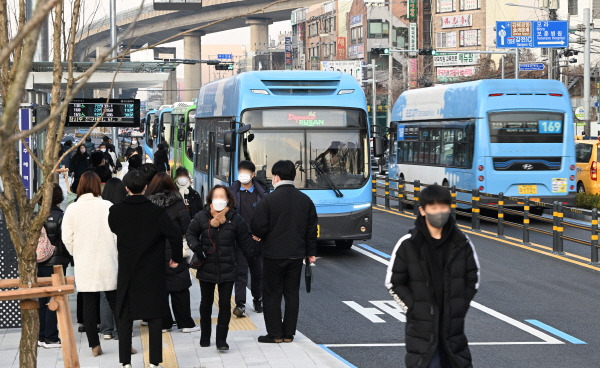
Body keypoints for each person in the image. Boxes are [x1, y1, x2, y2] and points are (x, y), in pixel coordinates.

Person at [385, 184, 480, 368]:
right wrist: (413, 307)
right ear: (422, 210)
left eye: (443, 207)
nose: (439, 212)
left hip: (453, 329)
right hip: (421, 329)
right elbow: (394, 282)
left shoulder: (462, 243)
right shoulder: (408, 244)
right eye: (433, 208)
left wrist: (459, 305)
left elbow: (472, 278)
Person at [108, 170, 183, 368]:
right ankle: (155, 362)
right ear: (145, 188)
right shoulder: (157, 212)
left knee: (125, 317)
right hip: (152, 272)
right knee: (155, 317)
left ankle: (125, 362)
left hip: (127, 271)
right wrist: (176, 258)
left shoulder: (115, 211)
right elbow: (175, 235)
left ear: (126, 189)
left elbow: (114, 228)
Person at [251, 160, 318, 344]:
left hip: (273, 255)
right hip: (296, 255)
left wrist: (258, 236)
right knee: (291, 294)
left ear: (277, 177)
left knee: (272, 294)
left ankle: (275, 334)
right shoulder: (305, 200)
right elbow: (311, 229)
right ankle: (289, 334)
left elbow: (257, 226)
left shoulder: (269, 200)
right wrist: (310, 252)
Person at [186, 185, 255, 351]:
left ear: (228, 199)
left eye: (222, 196)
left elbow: (245, 242)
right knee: (206, 303)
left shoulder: (235, 218)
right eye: (215, 196)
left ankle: (221, 340)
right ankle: (205, 336)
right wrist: (197, 248)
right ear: (210, 199)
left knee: (225, 304)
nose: (218, 199)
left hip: (228, 269)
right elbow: (190, 234)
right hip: (206, 267)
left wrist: (254, 261)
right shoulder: (202, 217)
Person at [61, 171, 118, 357]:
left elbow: (66, 238)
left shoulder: (72, 209)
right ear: (97, 186)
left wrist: (76, 253)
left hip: (85, 262)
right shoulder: (108, 206)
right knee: (117, 303)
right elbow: (118, 235)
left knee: (89, 305)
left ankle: (94, 345)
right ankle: (125, 342)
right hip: (108, 261)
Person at [146, 173, 198, 333]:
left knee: (158, 288)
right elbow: (187, 227)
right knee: (180, 288)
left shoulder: (147, 204)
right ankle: (185, 324)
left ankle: (164, 324)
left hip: (154, 252)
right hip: (175, 250)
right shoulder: (176, 203)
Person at [229, 160, 267, 317]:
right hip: (240, 238)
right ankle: (240, 304)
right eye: (240, 172)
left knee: (258, 272)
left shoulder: (261, 193)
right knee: (240, 272)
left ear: (252, 174)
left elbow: (267, 217)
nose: (242, 176)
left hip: (257, 239)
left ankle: (257, 299)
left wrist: (261, 233)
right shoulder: (231, 193)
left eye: (246, 172)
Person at [38, 184, 71, 349]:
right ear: (58, 197)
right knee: (54, 297)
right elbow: (65, 241)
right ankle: (51, 337)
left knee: (42, 297)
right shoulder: (60, 216)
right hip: (56, 263)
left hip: (39, 262)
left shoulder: (35, 217)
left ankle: (41, 335)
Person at [99, 178, 128, 341]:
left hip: (104, 253)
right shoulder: (124, 209)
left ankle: (107, 329)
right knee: (122, 292)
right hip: (122, 254)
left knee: (106, 292)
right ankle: (120, 330)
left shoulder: (102, 209)